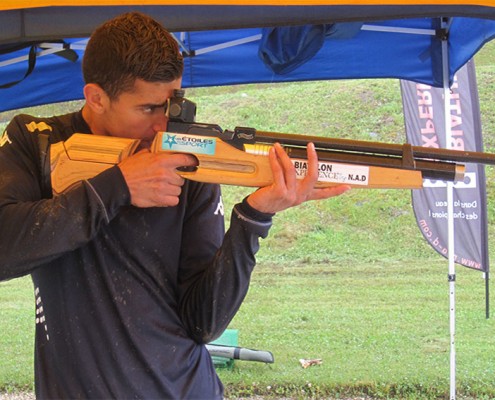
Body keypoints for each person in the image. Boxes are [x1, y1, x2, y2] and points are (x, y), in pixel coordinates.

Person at [0, 12, 350, 399]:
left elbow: (203, 322)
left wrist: (254, 216)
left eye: (170, 105)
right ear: (96, 97)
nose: (162, 126)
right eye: (148, 108)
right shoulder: (37, 142)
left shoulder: (187, 160)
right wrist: (117, 187)